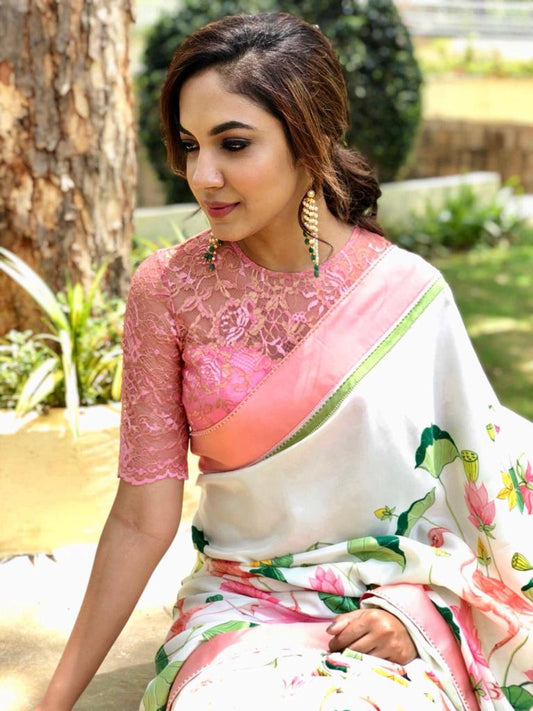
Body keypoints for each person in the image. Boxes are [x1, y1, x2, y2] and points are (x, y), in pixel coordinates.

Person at [36, 12, 533, 711]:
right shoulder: (168, 291)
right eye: (189, 145)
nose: (202, 175)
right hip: (242, 609)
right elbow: (141, 519)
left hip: (392, 622)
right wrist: (54, 701)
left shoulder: (408, 294)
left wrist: (418, 614)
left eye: (233, 144)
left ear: (311, 140)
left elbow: (481, 502)